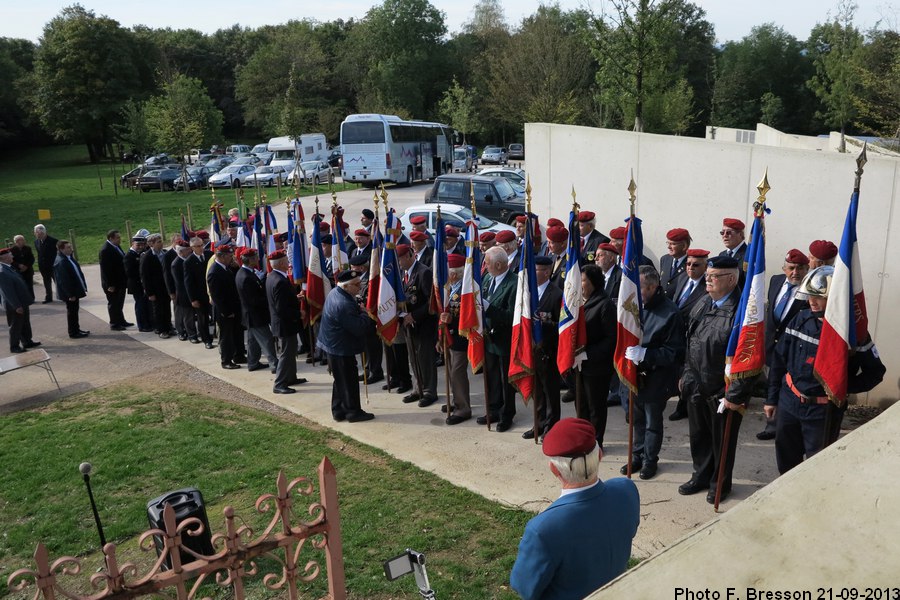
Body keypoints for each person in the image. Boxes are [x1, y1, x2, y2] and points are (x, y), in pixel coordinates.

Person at [765, 266, 885, 474]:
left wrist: (840, 386)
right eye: (810, 295)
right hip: (789, 402)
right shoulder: (800, 319)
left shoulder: (853, 334)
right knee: (786, 461)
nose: (812, 301)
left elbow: (875, 372)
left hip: (823, 411)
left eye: (819, 297)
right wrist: (772, 398)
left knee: (818, 468)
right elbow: (779, 360)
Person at [510, 418, 639, 600]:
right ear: (600, 455)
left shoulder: (542, 529)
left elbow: (524, 587)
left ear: (554, 469)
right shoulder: (626, 490)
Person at [679, 255, 752, 504]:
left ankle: (720, 484)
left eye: (713, 277)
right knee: (698, 437)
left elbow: (747, 358)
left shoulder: (741, 312)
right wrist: (687, 377)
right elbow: (692, 342)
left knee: (722, 442)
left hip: (722, 390)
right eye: (707, 276)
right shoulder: (703, 302)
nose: (707, 280)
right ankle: (700, 475)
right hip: (697, 385)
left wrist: (734, 394)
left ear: (731, 279)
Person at [621, 266, 685, 479]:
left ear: (652, 287)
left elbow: (674, 352)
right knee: (635, 420)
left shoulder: (670, 312)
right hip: (634, 375)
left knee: (652, 423)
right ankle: (637, 456)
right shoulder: (634, 305)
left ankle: (650, 460)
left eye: (639, 288)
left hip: (656, 377)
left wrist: (645, 354)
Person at [757, 248, 810, 440]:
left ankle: (778, 426)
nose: (795, 272)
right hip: (771, 346)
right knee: (771, 382)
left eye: (801, 268)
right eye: (792, 268)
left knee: (785, 387)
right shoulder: (776, 280)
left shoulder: (809, 291)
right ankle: (772, 422)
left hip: (793, 350)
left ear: (807, 269)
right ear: (784, 268)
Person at [317, 270, 376, 422]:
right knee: (348, 381)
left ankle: (338, 410)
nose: (359, 286)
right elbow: (358, 328)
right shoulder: (343, 304)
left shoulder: (336, 293)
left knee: (340, 380)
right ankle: (353, 412)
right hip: (341, 348)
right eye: (356, 284)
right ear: (346, 287)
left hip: (334, 345)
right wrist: (364, 312)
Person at [576, 265, 617, 446]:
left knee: (596, 407)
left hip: (596, 365)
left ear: (593, 282)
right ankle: (583, 438)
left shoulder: (604, 304)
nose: (580, 284)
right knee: (581, 405)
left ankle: (596, 441)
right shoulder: (576, 301)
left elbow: (611, 339)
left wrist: (587, 354)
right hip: (577, 365)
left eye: (583, 280)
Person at [669, 248, 710, 421]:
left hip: (693, 334)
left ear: (705, 266)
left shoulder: (707, 286)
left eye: (696, 265)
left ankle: (684, 406)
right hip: (676, 333)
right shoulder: (682, 278)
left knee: (690, 371)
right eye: (688, 264)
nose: (691, 268)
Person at [480, 246, 518, 431]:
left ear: (498, 264)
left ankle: (507, 413)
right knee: (491, 376)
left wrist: (489, 308)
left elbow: (512, 316)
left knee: (505, 380)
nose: (484, 266)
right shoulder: (487, 278)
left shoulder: (514, 283)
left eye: (487, 262)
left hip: (504, 339)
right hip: (488, 338)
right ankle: (493, 409)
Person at [526, 255, 563, 440]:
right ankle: (538, 423)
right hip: (531, 349)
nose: (532, 273)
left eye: (536, 270)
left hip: (548, 350)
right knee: (537, 391)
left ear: (546, 272)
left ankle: (552, 426)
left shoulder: (556, 294)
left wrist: (543, 323)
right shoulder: (528, 291)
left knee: (550, 392)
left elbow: (561, 325)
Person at [397, 244, 438, 407]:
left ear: (409, 255)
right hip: (408, 325)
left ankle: (429, 391)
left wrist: (414, 316)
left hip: (423, 325)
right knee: (413, 359)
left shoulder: (424, 272)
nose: (398, 262)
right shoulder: (402, 273)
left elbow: (431, 302)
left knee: (425, 359)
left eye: (400, 259)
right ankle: (418, 388)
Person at [266, 250, 307, 393]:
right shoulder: (279, 281)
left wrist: (295, 298)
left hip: (284, 324)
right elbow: (281, 309)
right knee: (286, 354)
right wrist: (299, 313)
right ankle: (279, 383)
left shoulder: (272, 277)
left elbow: (281, 300)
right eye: (286, 261)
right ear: (282, 263)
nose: (289, 263)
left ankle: (291, 377)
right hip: (285, 324)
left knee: (290, 352)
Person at [439, 253, 472, 425]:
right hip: (450, 336)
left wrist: (453, 320)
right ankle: (456, 400)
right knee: (451, 370)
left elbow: (469, 316)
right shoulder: (449, 288)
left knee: (457, 372)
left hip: (461, 338)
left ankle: (463, 408)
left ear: (453, 274)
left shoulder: (465, 290)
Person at [235, 248, 278, 373]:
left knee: (253, 341)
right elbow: (254, 300)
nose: (257, 259)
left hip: (252, 315)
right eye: (255, 258)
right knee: (267, 339)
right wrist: (269, 300)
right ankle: (274, 364)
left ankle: (253, 362)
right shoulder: (245, 276)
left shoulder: (246, 273)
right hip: (255, 316)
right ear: (250, 260)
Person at [207, 245, 241, 369]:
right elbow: (217, 296)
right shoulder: (214, 272)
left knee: (234, 334)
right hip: (224, 312)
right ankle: (226, 361)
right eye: (229, 256)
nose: (231, 258)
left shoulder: (225, 268)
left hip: (232, 308)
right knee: (226, 337)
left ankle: (236, 356)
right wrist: (226, 312)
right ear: (220, 256)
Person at [0, 247, 39, 353]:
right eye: (10, 255)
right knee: (15, 325)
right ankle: (14, 346)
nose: (12, 256)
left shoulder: (9, 267)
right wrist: (16, 306)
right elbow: (8, 292)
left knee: (25, 323)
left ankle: (27, 341)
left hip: (21, 301)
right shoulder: (2, 271)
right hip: (14, 304)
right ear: (4, 258)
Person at [53, 240, 89, 339]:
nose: (71, 249)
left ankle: (76, 329)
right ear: (61, 249)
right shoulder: (61, 262)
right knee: (72, 312)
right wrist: (70, 294)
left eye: (70, 247)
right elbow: (63, 281)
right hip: (70, 293)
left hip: (74, 290)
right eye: (68, 247)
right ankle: (73, 332)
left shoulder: (68, 258)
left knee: (74, 311)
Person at [140, 233, 174, 338]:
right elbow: (144, 277)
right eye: (158, 242)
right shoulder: (147, 257)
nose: (161, 244)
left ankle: (169, 327)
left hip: (165, 288)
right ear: (151, 244)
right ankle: (161, 329)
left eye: (161, 241)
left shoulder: (164, 253)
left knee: (167, 308)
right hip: (156, 290)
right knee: (158, 310)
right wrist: (150, 293)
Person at [184, 236, 214, 349]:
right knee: (203, 319)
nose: (201, 248)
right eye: (198, 246)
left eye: (202, 245)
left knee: (215, 316)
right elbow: (188, 282)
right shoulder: (189, 262)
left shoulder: (209, 255)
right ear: (192, 248)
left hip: (211, 293)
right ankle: (206, 339)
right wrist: (193, 299)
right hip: (199, 295)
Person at [98, 230, 131, 330]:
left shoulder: (116, 247)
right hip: (112, 284)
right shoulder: (105, 250)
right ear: (111, 238)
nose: (120, 239)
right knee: (113, 303)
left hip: (120, 282)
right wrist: (110, 285)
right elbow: (106, 270)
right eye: (117, 238)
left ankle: (121, 321)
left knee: (119, 302)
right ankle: (114, 323)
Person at [170, 241, 198, 342]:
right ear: (181, 252)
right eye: (187, 250)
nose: (190, 251)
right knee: (187, 316)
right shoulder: (176, 264)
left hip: (191, 293)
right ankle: (190, 335)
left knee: (190, 315)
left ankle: (191, 332)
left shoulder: (188, 260)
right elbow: (181, 283)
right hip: (184, 295)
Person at [124, 235, 152, 332]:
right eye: (138, 245)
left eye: (142, 245)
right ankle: (142, 325)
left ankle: (148, 323)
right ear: (132, 244)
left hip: (142, 284)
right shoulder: (129, 256)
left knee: (145, 305)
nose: (140, 247)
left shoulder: (141, 254)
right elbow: (129, 272)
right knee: (140, 305)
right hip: (136, 285)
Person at [659, 228, 691, 299]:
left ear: (684, 246)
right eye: (668, 243)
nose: (669, 247)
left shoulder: (691, 263)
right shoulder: (665, 259)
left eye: (673, 244)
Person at [33, 224, 58, 303]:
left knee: (57, 281)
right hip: (43, 266)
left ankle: (64, 295)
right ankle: (48, 297)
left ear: (44, 233)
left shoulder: (53, 241)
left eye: (40, 233)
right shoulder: (36, 242)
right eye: (36, 233)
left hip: (52, 265)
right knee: (46, 282)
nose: (38, 235)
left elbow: (57, 254)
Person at [10, 235, 35, 302]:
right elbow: (11, 261)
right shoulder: (12, 250)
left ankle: (31, 299)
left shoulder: (28, 248)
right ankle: (23, 299)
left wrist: (26, 266)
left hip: (28, 270)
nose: (24, 241)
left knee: (30, 285)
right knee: (20, 286)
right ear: (17, 241)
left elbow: (32, 259)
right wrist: (19, 265)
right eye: (22, 240)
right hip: (18, 271)